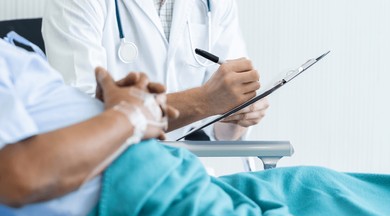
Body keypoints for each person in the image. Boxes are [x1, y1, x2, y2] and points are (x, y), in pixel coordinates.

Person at [1, 41, 390, 216]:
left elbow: (93, 128)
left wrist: (236, 113)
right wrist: (132, 114)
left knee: (323, 184)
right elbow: (20, 176)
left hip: (183, 181)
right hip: (139, 215)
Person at [42, 0, 269, 141]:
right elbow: (81, 118)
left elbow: (220, 132)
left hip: (189, 173)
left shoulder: (215, 4)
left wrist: (238, 114)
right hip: (114, 174)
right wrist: (205, 101)